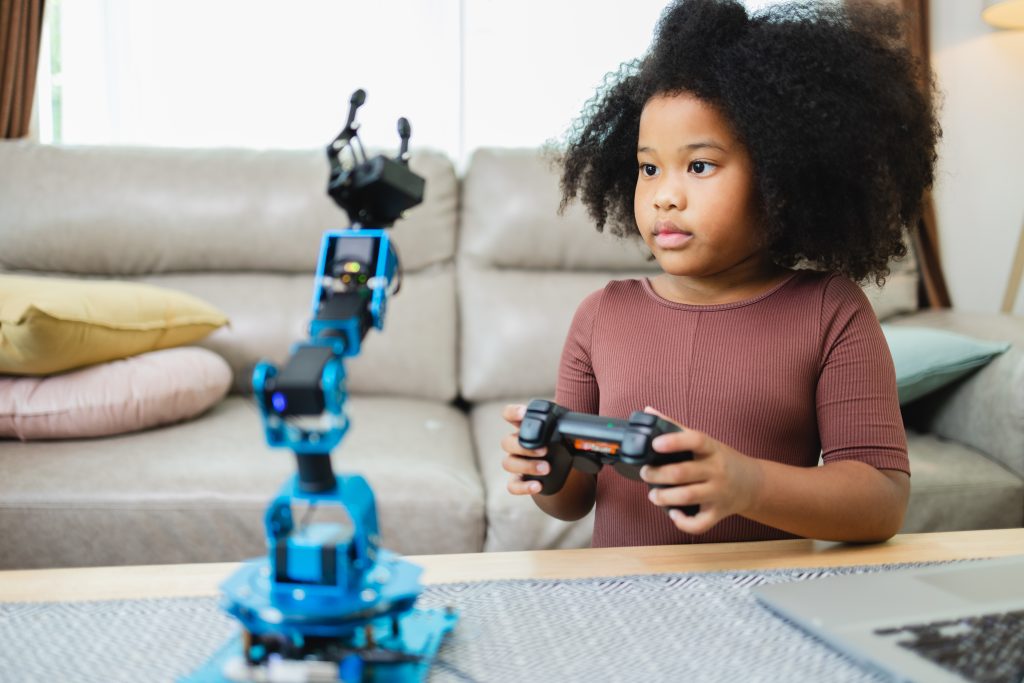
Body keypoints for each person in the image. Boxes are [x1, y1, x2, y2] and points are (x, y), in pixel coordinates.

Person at [499, 0, 940, 547]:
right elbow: (571, 502)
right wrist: (546, 465)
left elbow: (879, 502)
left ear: (782, 175)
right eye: (649, 167)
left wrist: (745, 484)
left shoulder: (831, 310)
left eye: (700, 165)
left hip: (767, 610)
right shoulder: (601, 314)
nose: (665, 196)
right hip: (620, 607)